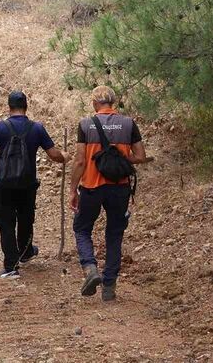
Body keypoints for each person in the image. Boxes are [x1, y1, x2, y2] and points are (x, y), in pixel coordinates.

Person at [69, 86, 149, 301]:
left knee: (82, 228)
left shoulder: (86, 125)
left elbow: (79, 161)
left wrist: (72, 190)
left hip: (91, 187)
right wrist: (121, 160)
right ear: (113, 102)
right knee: (114, 234)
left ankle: (90, 269)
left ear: (95, 103)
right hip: (119, 187)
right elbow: (140, 156)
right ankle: (109, 288)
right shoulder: (128, 123)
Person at [0, 91, 69, 279]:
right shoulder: (37, 128)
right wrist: (64, 157)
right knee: (26, 217)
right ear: (26, 106)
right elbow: (53, 155)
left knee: (6, 222)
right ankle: (26, 252)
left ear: (9, 107)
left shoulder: (0, 127)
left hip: (4, 184)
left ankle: (11, 266)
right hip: (27, 184)